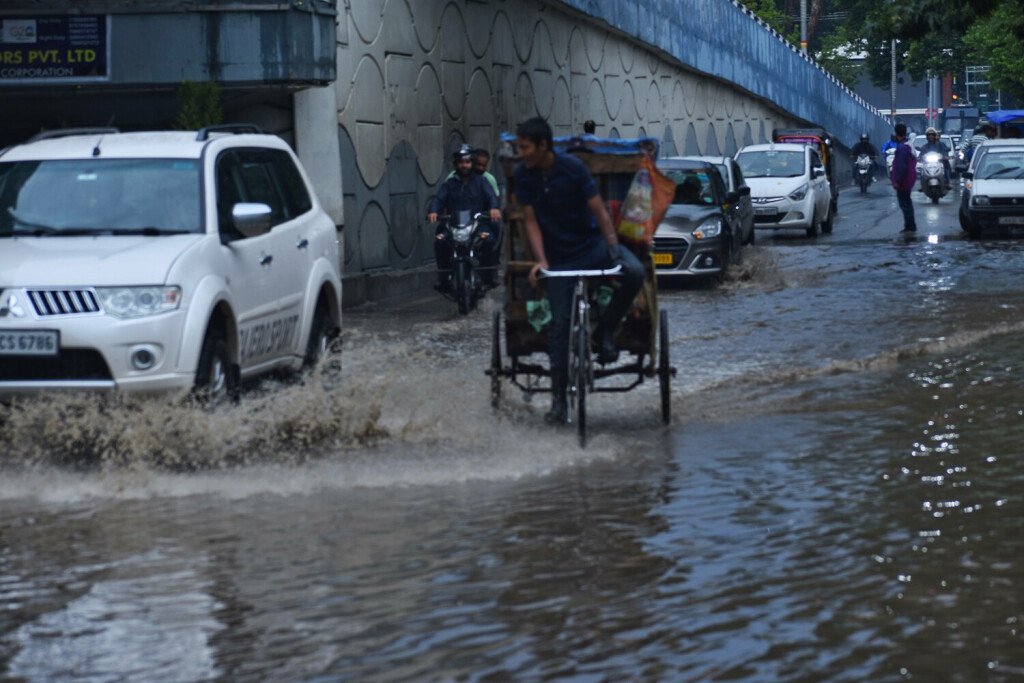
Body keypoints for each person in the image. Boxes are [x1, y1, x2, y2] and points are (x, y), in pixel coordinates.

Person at [512, 116, 645, 424]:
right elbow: (530, 221)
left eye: (525, 147)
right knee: (559, 325)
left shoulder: (573, 169)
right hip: (558, 257)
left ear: (543, 146)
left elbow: (599, 210)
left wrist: (612, 247)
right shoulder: (523, 174)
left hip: (592, 246)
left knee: (635, 272)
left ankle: (605, 332)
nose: (521, 153)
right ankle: (559, 402)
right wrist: (541, 261)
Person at [428, 144, 502, 290]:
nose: (464, 165)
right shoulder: (449, 184)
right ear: (456, 164)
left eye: (467, 162)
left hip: (477, 224)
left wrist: (494, 209)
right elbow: (438, 199)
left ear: (472, 163)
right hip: (453, 225)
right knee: (440, 242)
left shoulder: (482, 182)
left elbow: (492, 196)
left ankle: (489, 275)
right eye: (461, 162)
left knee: (489, 241)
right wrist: (433, 211)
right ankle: (444, 278)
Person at [890, 123, 917, 234]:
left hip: (903, 180)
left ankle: (909, 226)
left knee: (904, 204)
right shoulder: (908, 145)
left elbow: (900, 166)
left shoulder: (901, 148)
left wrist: (897, 180)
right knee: (907, 202)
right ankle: (911, 225)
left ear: (896, 134)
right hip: (909, 178)